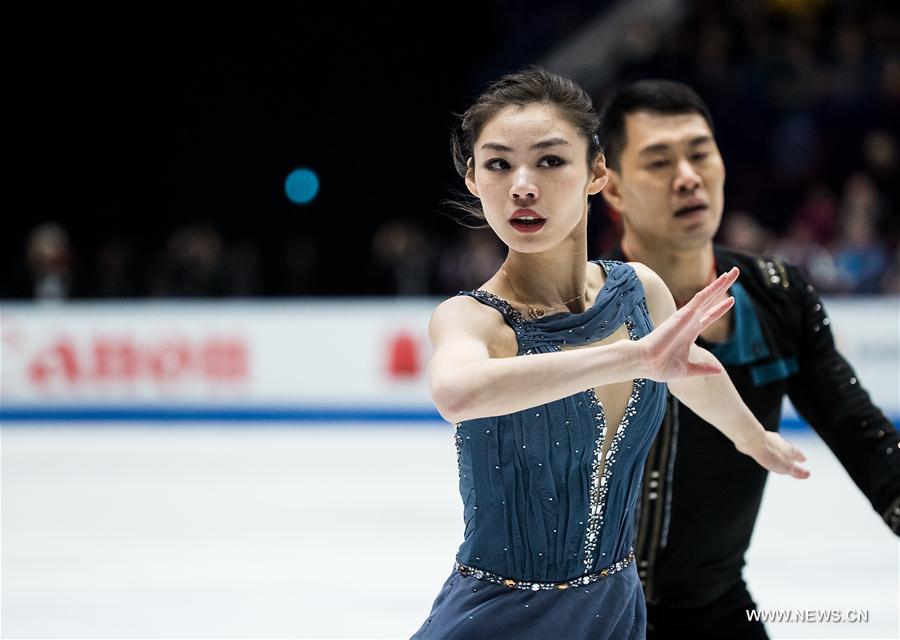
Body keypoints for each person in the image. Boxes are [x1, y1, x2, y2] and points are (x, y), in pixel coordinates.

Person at [410, 66, 809, 640]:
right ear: (473, 178)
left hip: (616, 610)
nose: (523, 184)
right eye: (498, 164)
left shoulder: (637, 290)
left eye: (550, 160)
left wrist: (752, 438)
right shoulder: (472, 318)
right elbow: (456, 392)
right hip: (501, 616)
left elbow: (688, 367)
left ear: (597, 171)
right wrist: (633, 359)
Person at [596, 79, 900, 639]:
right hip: (584, 619)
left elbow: (864, 436)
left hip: (718, 609)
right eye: (659, 162)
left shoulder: (777, 294)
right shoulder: (582, 308)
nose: (687, 175)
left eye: (700, 152)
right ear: (610, 187)